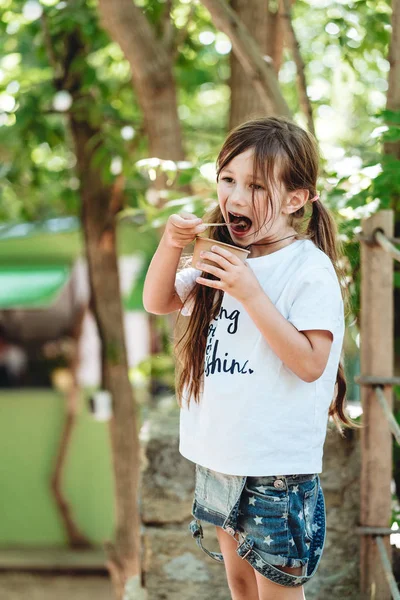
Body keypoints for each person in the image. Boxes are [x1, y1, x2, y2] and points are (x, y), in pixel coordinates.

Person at [143, 117, 354, 599]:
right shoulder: (219, 251)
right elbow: (159, 301)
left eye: (256, 186)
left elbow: (309, 363)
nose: (235, 197)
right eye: (228, 179)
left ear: (296, 198)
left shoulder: (307, 269)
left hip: (274, 469)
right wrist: (172, 244)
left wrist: (249, 292)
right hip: (219, 458)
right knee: (240, 585)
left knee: (277, 592)